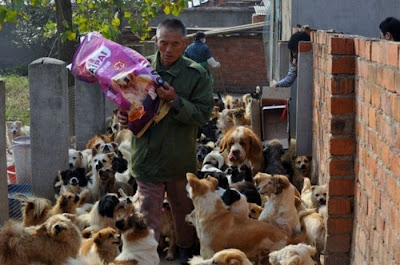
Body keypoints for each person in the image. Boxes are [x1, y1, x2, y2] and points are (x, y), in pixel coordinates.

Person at [118, 19, 214, 264]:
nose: (169, 50)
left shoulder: (196, 74)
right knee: (147, 212)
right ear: (155, 42)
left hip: (178, 159)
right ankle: (146, 255)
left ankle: (185, 252)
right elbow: (128, 106)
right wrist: (123, 116)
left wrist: (176, 100)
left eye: (175, 44)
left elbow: (203, 114)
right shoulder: (138, 71)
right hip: (147, 156)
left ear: (184, 44)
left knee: (183, 211)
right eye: (163, 43)